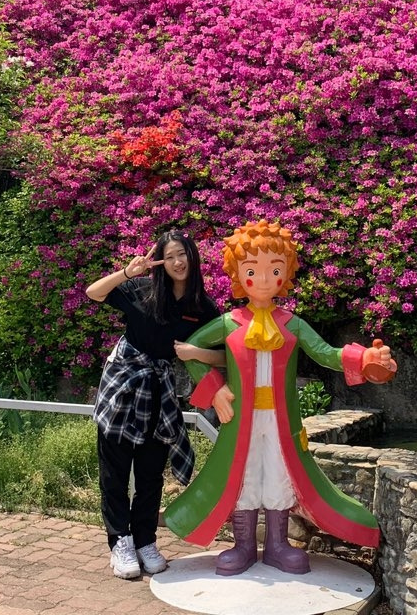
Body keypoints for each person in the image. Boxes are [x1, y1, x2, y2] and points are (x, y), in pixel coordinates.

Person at [163, 219, 396, 576]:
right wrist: (216, 390)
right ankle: (243, 546)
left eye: (274, 270)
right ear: (238, 274)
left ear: (285, 273)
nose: (264, 279)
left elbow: (326, 353)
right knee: (242, 473)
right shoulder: (228, 322)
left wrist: (364, 358)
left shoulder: (292, 323)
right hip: (240, 420)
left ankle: (277, 544)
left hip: (281, 421)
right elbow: (189, 350)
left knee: (278, 472)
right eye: (252, 271)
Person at [87, 229, 223, 580]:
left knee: (151, 472)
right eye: (170, 256)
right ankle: (120, 541)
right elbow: (93, 293)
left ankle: (145, 540)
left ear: (193, 257)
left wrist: (195, 352)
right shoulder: (141, 289)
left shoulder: (202, 307)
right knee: (115, 472)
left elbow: (225, 355)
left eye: (183, 254)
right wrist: (127, 272)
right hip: (123, 384)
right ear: (160, 261)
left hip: (159, 391)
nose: (178, 262)